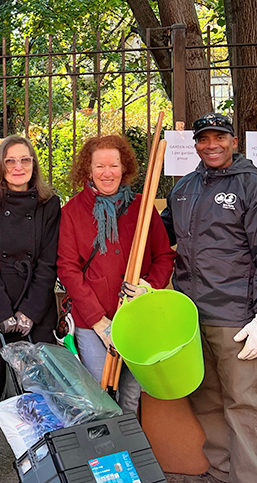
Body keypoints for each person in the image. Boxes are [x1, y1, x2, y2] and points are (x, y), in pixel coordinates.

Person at [161, 113, 257, 483]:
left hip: (234, 316)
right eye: (204, 139)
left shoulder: (254, 190)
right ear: (196, 144)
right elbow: (159, 235)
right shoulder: (184, 188)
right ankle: (221, 473)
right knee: (206, 399)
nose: (211, 144)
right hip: (190, 315)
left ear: (234, 141)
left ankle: (247, 479)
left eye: (220, 137)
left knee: (242, 402)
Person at [0, 135, 61, 483]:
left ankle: (39, 462)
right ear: (1, 166)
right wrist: (2, 314)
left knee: (36, 389)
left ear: (34, 165)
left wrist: (29, 313)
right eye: (11, 161)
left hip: (36, 305)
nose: (19, 168)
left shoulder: (50, 204)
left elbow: (49, 263)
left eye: (25, 161)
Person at [57, 134, 175, 414]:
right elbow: (68, 268)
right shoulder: (72, 211)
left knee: (131, 397)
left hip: (137, 319)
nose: (107, 173)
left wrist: (150, 287)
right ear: (89, 169)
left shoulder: (142, 208)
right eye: (100, 166)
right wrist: (99, 322)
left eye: (114, 166)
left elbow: (164, 256)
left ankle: (129, 455)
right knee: (102, 397)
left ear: (125, 168)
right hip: (93, 324)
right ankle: (105, 456)